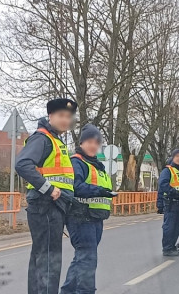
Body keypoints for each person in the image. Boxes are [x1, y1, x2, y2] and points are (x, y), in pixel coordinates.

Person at [15, 98, 77, 294]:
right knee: (50, 259)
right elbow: (22, 164)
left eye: (68, 117)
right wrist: (48, 188)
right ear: (50, 116)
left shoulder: (55, 140)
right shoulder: (43, 138)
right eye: (61, 116)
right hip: (47, 204)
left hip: (50, 206)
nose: (65, 120)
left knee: (41, 257)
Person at [61, 124, 116, 294]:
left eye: (96, 142)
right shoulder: (77, 162)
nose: (93, 145)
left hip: (95, 218)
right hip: (80, 217)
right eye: (89, 141)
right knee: (88, 259)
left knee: (82, 258)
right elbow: (75, 186)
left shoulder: (97, 166)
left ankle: (68, 291)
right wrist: (100, 191)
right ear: (82, 143)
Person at [156, 149, 179, 256]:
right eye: (177, 156)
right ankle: (167, 249)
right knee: (170, 227)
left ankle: (177, 245)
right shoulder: (168, 171)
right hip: (171, 203)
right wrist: (174, 193)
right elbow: (163, 185)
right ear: (173, 157)